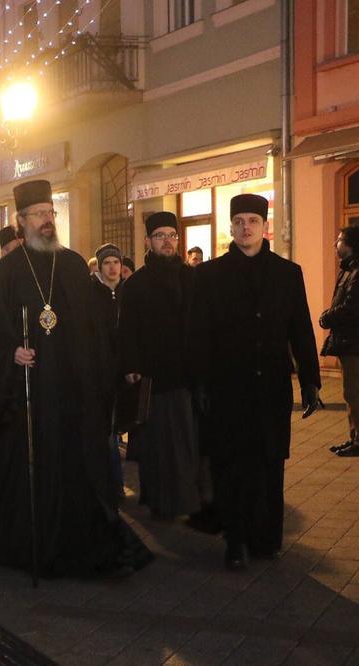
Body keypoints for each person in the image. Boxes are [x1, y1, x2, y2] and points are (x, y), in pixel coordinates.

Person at [0, 179, 152, 577]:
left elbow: (95, 331)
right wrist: (11, 354)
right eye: (38, 215)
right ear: (21, 221)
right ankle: (30, 545)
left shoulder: (71, 265)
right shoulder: (5, 274)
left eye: (50, 213)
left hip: (70, 398)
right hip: (26, 403)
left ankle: (76, 541)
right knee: (30, 475)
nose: (47, 221)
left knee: (77, 473)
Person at [192, 193, 321, 570]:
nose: (246, 227)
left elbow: (300, 329)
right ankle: (234, 540)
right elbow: (198, 335)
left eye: (252, 220)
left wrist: (311, 380)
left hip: (271, 391)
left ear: (264, 226)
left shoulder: (287, 272)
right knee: (231, 467)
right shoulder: (209, 275)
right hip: (227, 389)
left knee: (268, 466)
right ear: (230, 227)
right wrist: (199, 382)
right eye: (239, 221)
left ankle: (266, 539)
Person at [118, 213, 201, 519]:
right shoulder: (137, 283)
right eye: (160, 236)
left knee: (186, 442)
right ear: (148, 241)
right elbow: (126, 329)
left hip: (187, 375)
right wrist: (131, 365)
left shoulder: (192, 277)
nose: (167, 241)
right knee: (157, 445)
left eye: (172, 235)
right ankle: (160, 501)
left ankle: (186, 500)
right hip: (153, 377)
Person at [90, 243, 125, 496]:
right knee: (106, 431)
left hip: (124, 371)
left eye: (116, 262)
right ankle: (112, 483)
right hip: (99, 372)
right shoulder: (91, 294)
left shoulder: (128, 292)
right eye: (107, 263)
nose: (112, 267)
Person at [322, 227, 359, 457]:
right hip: (348, 341)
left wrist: (327, 316)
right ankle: (354, 437)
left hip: (354, 342)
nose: (336, 244)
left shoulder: (356, 272)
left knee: (354, 392)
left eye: (339, 240)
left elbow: (351, 307)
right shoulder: (348, 269)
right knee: (350, 393)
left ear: (350, 244)